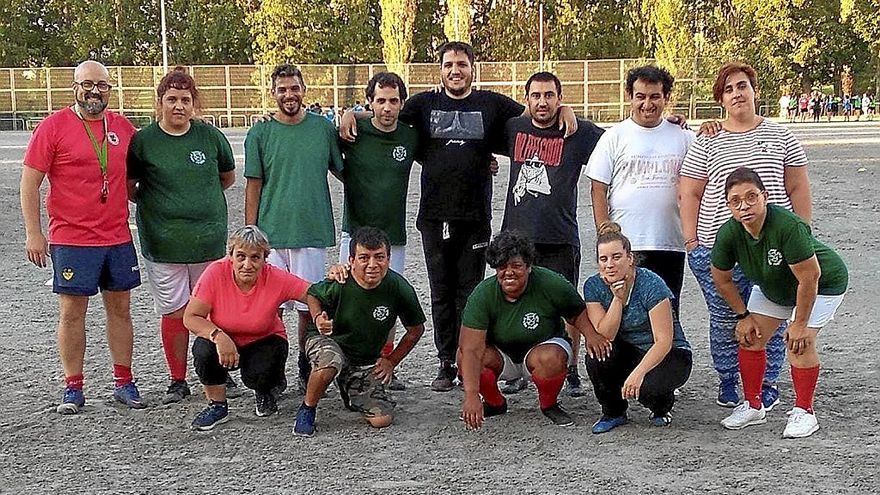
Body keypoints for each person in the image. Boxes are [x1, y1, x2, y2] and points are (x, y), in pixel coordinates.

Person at [340, 41, 579, 392]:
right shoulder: (423, 105)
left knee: (470, 292)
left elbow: (535, 114)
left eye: (462, 64)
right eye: (449, 64)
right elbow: (383, 115)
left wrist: (567, 108)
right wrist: (350, 113)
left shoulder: (491, 105)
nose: (456, 70)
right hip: (435, 217)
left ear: (472, 68)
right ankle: (445, 361)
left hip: (474, 218)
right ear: (440, 69)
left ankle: (472, 356)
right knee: (440, 291)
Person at [680, 61, 812, 410]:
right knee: (726, 317)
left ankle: (766, 382)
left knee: (769, 314)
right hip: (718, 246)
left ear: (755, 91)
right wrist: (692, 241)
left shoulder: (781, 135)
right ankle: (728, 379)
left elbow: (797, 185)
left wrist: (804, 233)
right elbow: (690, 191)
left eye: (742, 86)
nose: (737, 93)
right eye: (728, 89)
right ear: (720, 100)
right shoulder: (709, 139)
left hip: (773, 247)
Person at [21, 60, 144, 414]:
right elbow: (30, 182)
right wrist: (34, 233)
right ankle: (73, 387)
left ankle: (124, 382)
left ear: (110, 89)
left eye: (102, 85)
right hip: (72, 239)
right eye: (87, 84)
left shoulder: (123, 127)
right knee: (72, 313)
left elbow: (138, 179)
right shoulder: (53, 127)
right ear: (74, 87)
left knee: (121, 310)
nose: (94, 91)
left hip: (117, 236)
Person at [127, 67, 237, 404]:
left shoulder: (210, 136)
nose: (179, 106)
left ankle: (216, 370)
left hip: (207, 241)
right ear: (159, 102)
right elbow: (131, 188)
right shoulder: (143, 140)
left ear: (194, 104)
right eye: (172, 99)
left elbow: (227, 177)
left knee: (211, 311)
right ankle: (177, 379)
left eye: (185, 100)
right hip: (164, 243)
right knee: (174, 311)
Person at [711, 168, 847, 438]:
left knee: (799, 342)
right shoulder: (728, 233)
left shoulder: (787, 225)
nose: (744, 206)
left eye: (751, 197)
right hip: (774, 286)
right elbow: (722, 279)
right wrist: (743, 316)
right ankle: (753, 405)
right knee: (750, 337)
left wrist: (799, 323)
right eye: (735, 201)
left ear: (765, 196)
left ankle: (805, 412)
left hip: (822, 285)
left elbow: (810, 278)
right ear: (728, 206)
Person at [498, 71, 604, 397]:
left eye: (549, 95)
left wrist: (672, 122)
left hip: (560, 235)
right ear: (526, 99)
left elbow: (622, 142)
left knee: (566, 305)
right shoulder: (514, 128)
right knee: (512, 303)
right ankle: (515, 365)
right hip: (517, 236)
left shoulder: (579, 132)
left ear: (560, 98)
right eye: (536, 95)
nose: (542, 102)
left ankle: (570, 368)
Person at [244, 64, 343, 391]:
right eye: (282, 89)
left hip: (309, 232)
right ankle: (271, 371)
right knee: (268, 308)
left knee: (307, 307)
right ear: (273, 93)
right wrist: (251, 235)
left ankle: (305, 366)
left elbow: (345, 170)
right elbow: (253, 185)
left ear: (304, 90)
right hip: (271, 235)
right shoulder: (260, 133)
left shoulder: (322, 129)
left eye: (294, 88)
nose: (289, 95)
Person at [458, 230, 611, 429]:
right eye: (502, 267)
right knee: (463, 357)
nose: (509, 272)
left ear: (529, 266)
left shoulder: (551, 282)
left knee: (551, 358)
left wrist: (592, 335)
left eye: (516, 266)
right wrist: (471, 395)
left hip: (542, 347)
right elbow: (470, 348)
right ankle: (495, 403)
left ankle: (549, 404)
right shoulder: (482, 295)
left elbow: (576, 311)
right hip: (502, 355)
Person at [295, 227, 426, 436]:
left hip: (363, 358)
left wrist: (391, 361)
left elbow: (416, 329)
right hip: (327, 340)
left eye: (379, 257)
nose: (372, 265)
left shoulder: (399, 288)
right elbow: (312, 294)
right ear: (352, 260)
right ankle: (307, 409)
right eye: (364, 257)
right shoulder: (341, 280)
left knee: (381, 420)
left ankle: (349, 387)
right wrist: (318, 318)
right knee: (331, 359)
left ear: (389, 259)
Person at [587, 65, 694, 319]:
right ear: (630, 96)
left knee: (667, 314)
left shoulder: (683, 136)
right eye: (641, 96)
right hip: (627, 245)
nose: (648, 104)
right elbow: (598, 188)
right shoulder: (614, 137)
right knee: (627, 314)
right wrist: (606, 233)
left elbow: (699, 184)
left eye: (655, 96)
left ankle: (665, 359)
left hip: (669, 243)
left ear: (666, 98)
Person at [184, 225, 311, 430]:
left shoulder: (275, 277)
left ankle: (267, 389)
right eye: (241, 256)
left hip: (264, 339)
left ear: (265, 259)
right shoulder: (215, 273)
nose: (247, 264)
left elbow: (312, 292)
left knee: (261, 369)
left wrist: (336, 281)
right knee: (202, 349)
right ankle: (217, 404)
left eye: (255, 257)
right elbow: (191, 317)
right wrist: (218, 336)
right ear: (231, 256)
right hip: (223, 339)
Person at [338, 71, 418, 391]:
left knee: (388, 300)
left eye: (394, 101)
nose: (387, 107)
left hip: (392, 236)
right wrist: (349, 114)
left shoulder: (411, 136)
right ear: (369, 102)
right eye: (380, 100)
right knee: (348, 298)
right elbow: (332, 162)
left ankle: (384, 364)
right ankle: (345, 363)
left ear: (402, 103)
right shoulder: (352, 132)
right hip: (354, 232)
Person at [583, 222, 692, 433]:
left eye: (616, 257)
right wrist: (617, 299)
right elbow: (605, 335)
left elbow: (664, 341)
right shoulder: (593, 286)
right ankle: (613, 412)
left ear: (630, 258)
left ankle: (661, 406)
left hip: (669, 352)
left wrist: (637, 374)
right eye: (603, 259)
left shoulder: (652, 284)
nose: (609, 265)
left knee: (649, 388)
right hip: (627, 350)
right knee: (597, 352)